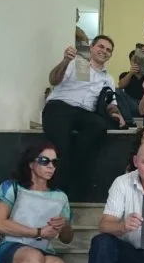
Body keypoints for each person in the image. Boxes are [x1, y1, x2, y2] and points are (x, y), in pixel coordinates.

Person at [42, 35, 124, 195]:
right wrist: (65, 60)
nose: (104, 51)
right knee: (60, 147)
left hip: (85, 113)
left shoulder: (108, 79)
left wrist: (116, 114)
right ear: (92, 48)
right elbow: (53, 80)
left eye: (108, 50)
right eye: (101, 47)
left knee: (99, 125)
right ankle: (57, 190)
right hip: (60, 106)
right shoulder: (75, 64)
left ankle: (73, 164)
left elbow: (111, 103)